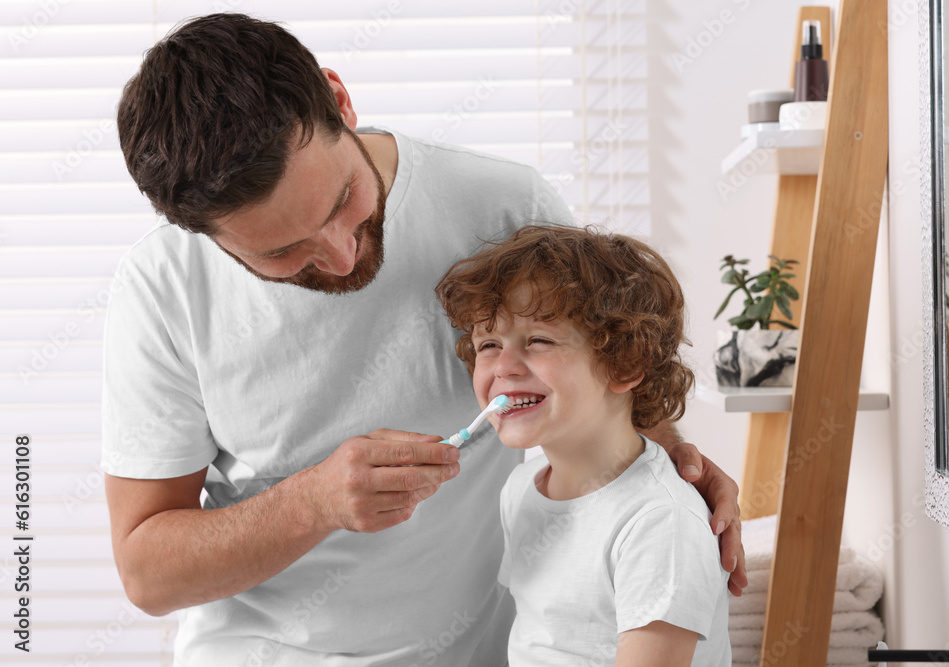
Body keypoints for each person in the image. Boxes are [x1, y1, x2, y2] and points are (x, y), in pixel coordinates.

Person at [102, 12, 746, 666]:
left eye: (343, 201)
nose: (341, 254)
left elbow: (594, 371)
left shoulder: (505, 208)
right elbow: (147, 573)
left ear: (340, 99)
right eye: (284, 251)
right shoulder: (162, 289)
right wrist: (314, 501)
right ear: (202, 235)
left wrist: (668, 466)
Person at [435, 225, 731, 666]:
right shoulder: (522, 489)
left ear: (626, 362)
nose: (504, 366)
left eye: (538, 340)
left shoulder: (659, 522)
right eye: (489, 343)